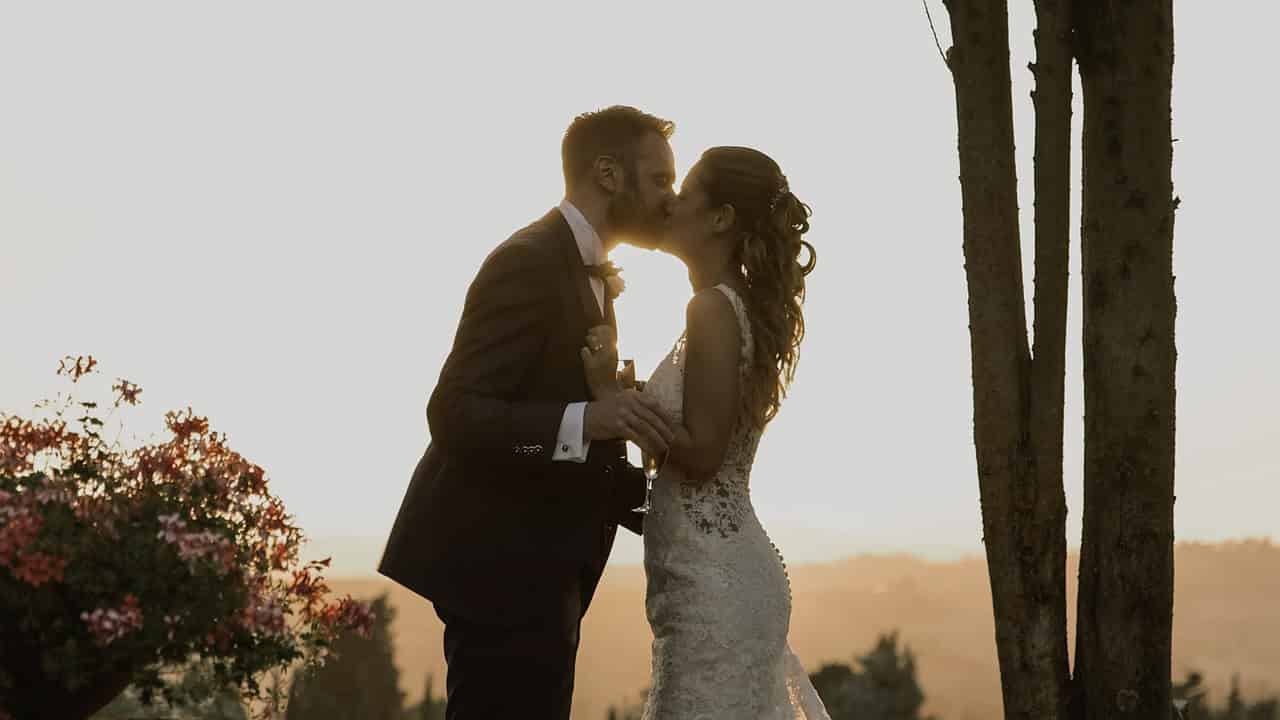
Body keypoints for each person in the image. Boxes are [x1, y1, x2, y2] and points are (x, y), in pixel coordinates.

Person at [379, 105, 678, 719]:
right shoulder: (529, 259)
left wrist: (674, 508)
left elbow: (565, 439)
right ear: (607, 174)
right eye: (660, 180)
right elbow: (455, 414)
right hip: (499, 570)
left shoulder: (582, 267)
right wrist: (585, 420)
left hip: (544, 574)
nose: (669, 199)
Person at [582, 145, 830, 718]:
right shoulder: (724, 307)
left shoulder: (713, 310)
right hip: (706, 577)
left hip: (713, 588)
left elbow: (702, 452)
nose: (670, 202)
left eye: (686, 193)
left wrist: (610, 397)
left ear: (720, 219)